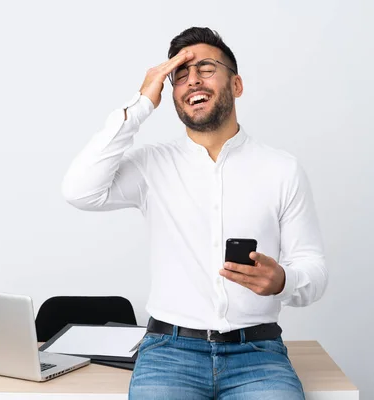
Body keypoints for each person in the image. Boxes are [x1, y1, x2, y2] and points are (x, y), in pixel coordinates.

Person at [61, 27, 327, 400]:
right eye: (180, 76)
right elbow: (79, 190)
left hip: (258, 356)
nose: (192, 81)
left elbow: (314, 269)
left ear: (236, 84)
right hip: (169, 353)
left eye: (205, 68)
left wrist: (282, 280)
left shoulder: (282, 169)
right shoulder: (151, 165)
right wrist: (140, 104)